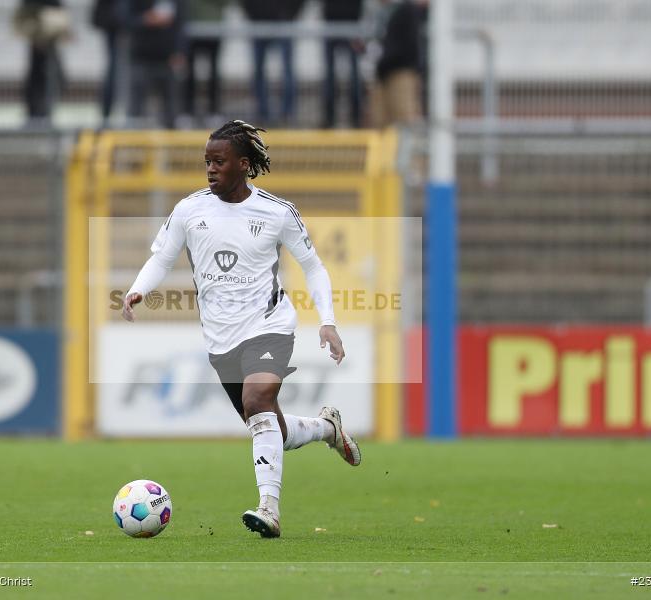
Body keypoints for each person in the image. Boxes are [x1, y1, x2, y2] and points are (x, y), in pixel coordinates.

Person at [122, 119, 361, 538]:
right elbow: (161, 257)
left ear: (244, 165)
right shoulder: (189, 210)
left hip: (270, 324)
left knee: (257, 398)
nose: (210, 169)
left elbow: (313, 267)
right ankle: (327, 428)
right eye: (207, 162)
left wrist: (327, 322)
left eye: (219, 161)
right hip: (221, 340)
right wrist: (137, 289)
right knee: (270, 427)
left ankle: (269, 508)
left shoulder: (277, 212)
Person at [241, 0, 306, 125]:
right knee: (259, 71)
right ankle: (262, 114)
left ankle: (287, 115)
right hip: (259, 22)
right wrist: (254, 16)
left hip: (283, 21)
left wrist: (289, 15)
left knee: (287, 71)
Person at [125, 0, 187, 128]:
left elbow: (181, 25)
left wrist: (179, 51)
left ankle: (171, 134)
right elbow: (124, 19)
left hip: (168, 58)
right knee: (136, 108)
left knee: (171, 109)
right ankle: (134, 134)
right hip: (141, 56)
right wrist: (146, 19)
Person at [372, 0, 428, 128]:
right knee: (383, 122)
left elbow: (407, 46)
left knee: (404, 120)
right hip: (386, 71)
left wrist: (385, 63)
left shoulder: (406, 10)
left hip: (400, 72)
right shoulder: (391, 11)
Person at [14, 0, 71, 124]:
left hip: (43, 17)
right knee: (43, 71)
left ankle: (40, 111)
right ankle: (39, 112)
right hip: (40, 17)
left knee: (44, 70)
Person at [183, 0, 228, 125]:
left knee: (213, 73)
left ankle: (214, 111)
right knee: (189, 73)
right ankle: (188, 112)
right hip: (191, 27)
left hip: (214, 28)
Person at [321, 0, 365, 128]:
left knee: (354, 75)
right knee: (330, 75)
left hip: (351, 25)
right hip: (332, 25)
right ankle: (330, 117)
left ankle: (356, 117)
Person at [90, 0, 123, 122]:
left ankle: (107, 115)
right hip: (114, 25)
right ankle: (106, 116)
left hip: (121, 25)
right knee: (113, 72)